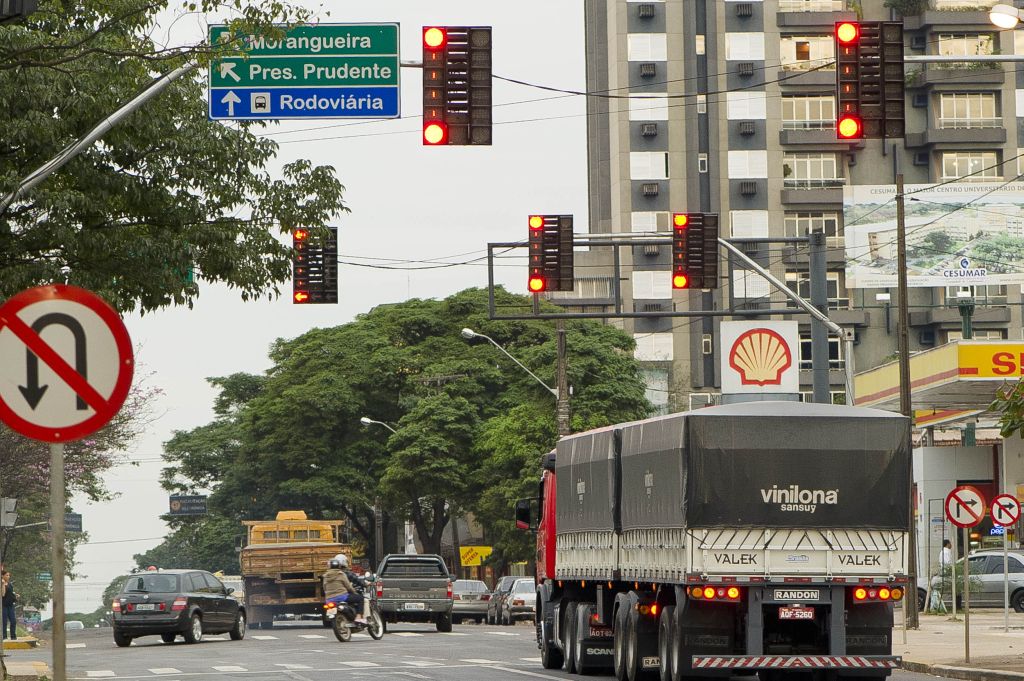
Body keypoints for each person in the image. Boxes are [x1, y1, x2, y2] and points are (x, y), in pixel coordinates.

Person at [322, 556, 365, 624]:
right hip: (342, 597)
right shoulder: (341, 574)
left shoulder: (325, 576)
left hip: (329, 599)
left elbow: (324, 588)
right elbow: (349, 587)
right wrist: (354, 592)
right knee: (360, 598)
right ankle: (359, 617)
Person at [2, 570, 17, 641]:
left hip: (11, 605)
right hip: (3, 605)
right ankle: (4, 637)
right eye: (7, 575)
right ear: (3, 576)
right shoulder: (2, 583)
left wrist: (15, 595)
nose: (8, 576)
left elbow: (11, 592)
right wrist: (3, 585)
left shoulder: (10, 584)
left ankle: (13, 636)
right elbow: (3, 594)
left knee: (13, 621)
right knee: (4, 622)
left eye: (9, 575)